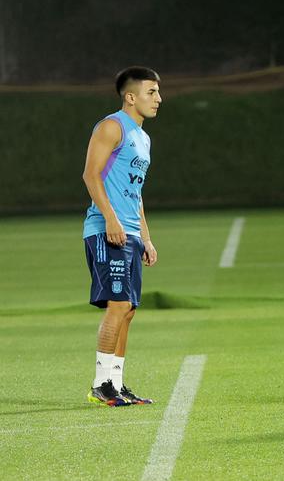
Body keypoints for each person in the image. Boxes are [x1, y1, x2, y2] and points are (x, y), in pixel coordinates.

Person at [83, 66, 162, 406]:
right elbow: (90, 175)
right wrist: (111, 219)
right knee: (117, 304)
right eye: (151, 92)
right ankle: (100, 385)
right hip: (106, 229)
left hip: (129, 231)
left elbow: (136, 192)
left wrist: (146, 237)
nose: (158, 99)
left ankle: (116, 383)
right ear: (130, 97)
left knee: (128, 309)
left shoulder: (143, 138)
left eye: (158, 92)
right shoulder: (111, 126)